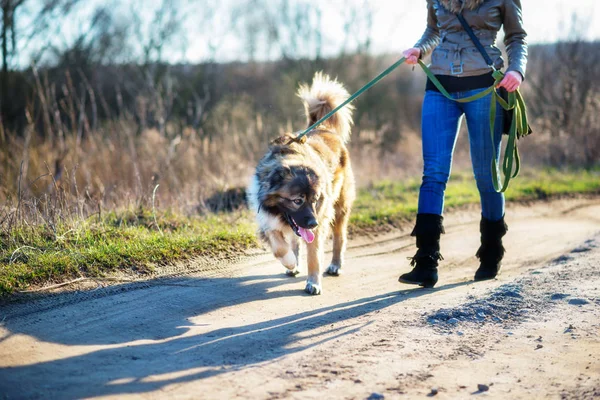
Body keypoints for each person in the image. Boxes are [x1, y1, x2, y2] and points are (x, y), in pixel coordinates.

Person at [398, 0, 528, 288]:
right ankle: (426, 261)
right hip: (440, 84)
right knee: (433, 172)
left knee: (486, 174)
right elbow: (433, 29)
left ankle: (492, 251)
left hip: (484, 85)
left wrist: (516, 70)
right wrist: (420, 48)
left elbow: (517, 36)